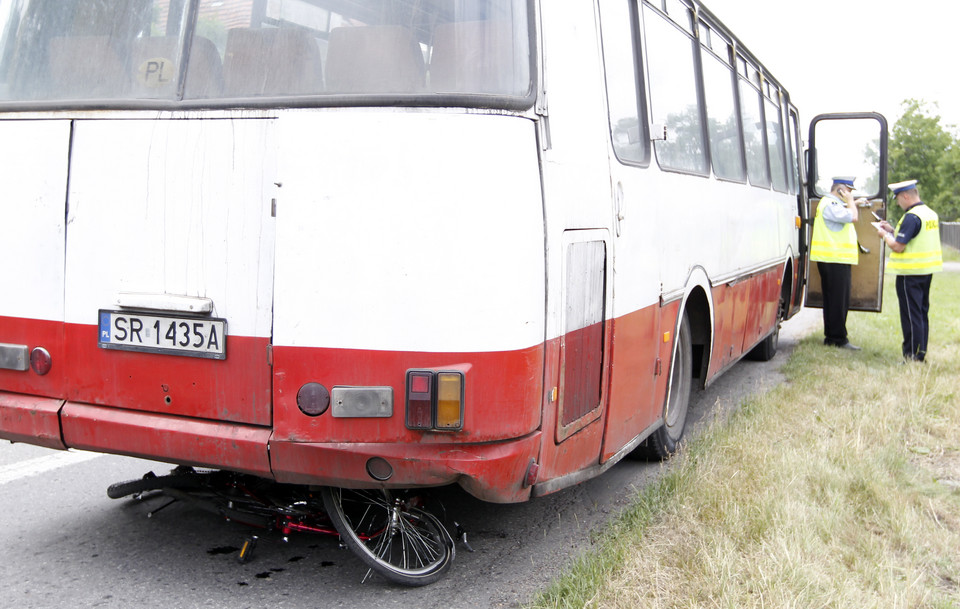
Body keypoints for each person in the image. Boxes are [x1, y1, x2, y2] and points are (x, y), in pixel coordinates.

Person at [874, 179, 942, 362]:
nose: (897, 202)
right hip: (925, 271)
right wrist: (894, 229)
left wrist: (885, 235)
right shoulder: (929, 213)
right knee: (921, 313)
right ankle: (921, 353)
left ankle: (912, 356)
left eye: (897, 198)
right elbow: (914, 236)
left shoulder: (911, 216)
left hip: (909, 274)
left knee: (911, 315)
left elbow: (898, 246)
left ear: (905, 196)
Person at [810, 176, 863, 350]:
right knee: (838, 301)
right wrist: (851, 203)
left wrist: (854, 202)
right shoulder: (831, 205)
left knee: (834, 300)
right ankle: (837, 338)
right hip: (834, 259)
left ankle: (833, 337)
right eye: (849, 191)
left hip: (833, 259)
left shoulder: (831, 204)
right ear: (840, 190)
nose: (850, 195)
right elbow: (853, 217)